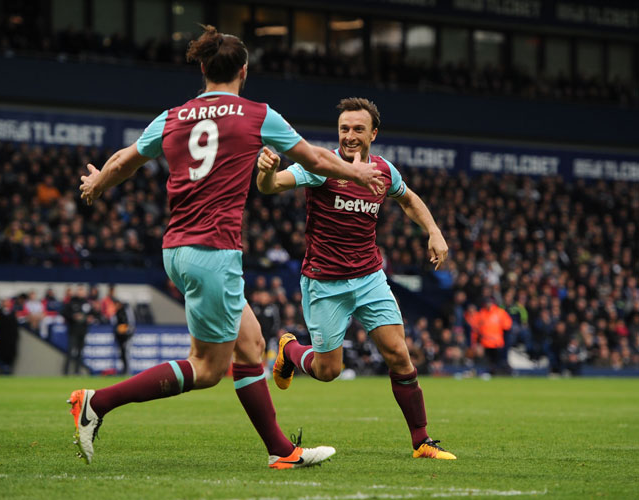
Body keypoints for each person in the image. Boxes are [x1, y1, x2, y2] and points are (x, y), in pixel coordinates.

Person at [69, 25, 384, 468]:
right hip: (213, 250)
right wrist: (359, 174)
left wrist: (97, 182)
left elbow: (125, 159)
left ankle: (281, 451)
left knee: (252, 344)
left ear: (202, 68)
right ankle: (96, 403)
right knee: (206, 369)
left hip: (177, 248)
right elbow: (315, 158)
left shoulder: (173, 116)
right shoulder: (256, 114)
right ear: (244, 70)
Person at [256, 97, 456, 459]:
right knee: (328, 370)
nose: (349, 135)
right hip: (325, 282)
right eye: (344, 128)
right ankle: (290, 349)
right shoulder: (321, 165)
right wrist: (267, 170)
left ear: (373, 133)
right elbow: (271, 187)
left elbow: (409, 199)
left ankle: (422, 442)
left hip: (369, 277)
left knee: (399, 353)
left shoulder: (383, 170)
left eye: (358, 129)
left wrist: (434, 231)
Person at [62, 285, 93, 375]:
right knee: (70, 351)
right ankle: (66, 372)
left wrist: (89, 318)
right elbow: (64, 312)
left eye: (82, 290)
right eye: (79, 290)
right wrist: (73, 316)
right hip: (73, 330)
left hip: (83, 330)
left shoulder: (87, 303)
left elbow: (93, 314)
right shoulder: (72, 302)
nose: (81, 292)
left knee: (80, 352)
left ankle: (77, 371)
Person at [112, 299, 135, 375]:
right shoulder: (116, 313)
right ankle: (124, 370)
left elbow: (131, 324)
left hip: (127, 337)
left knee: (126, 353)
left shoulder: (126, 311)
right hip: (120, 337)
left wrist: (126, 331)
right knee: (122, 354)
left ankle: (127, 371)